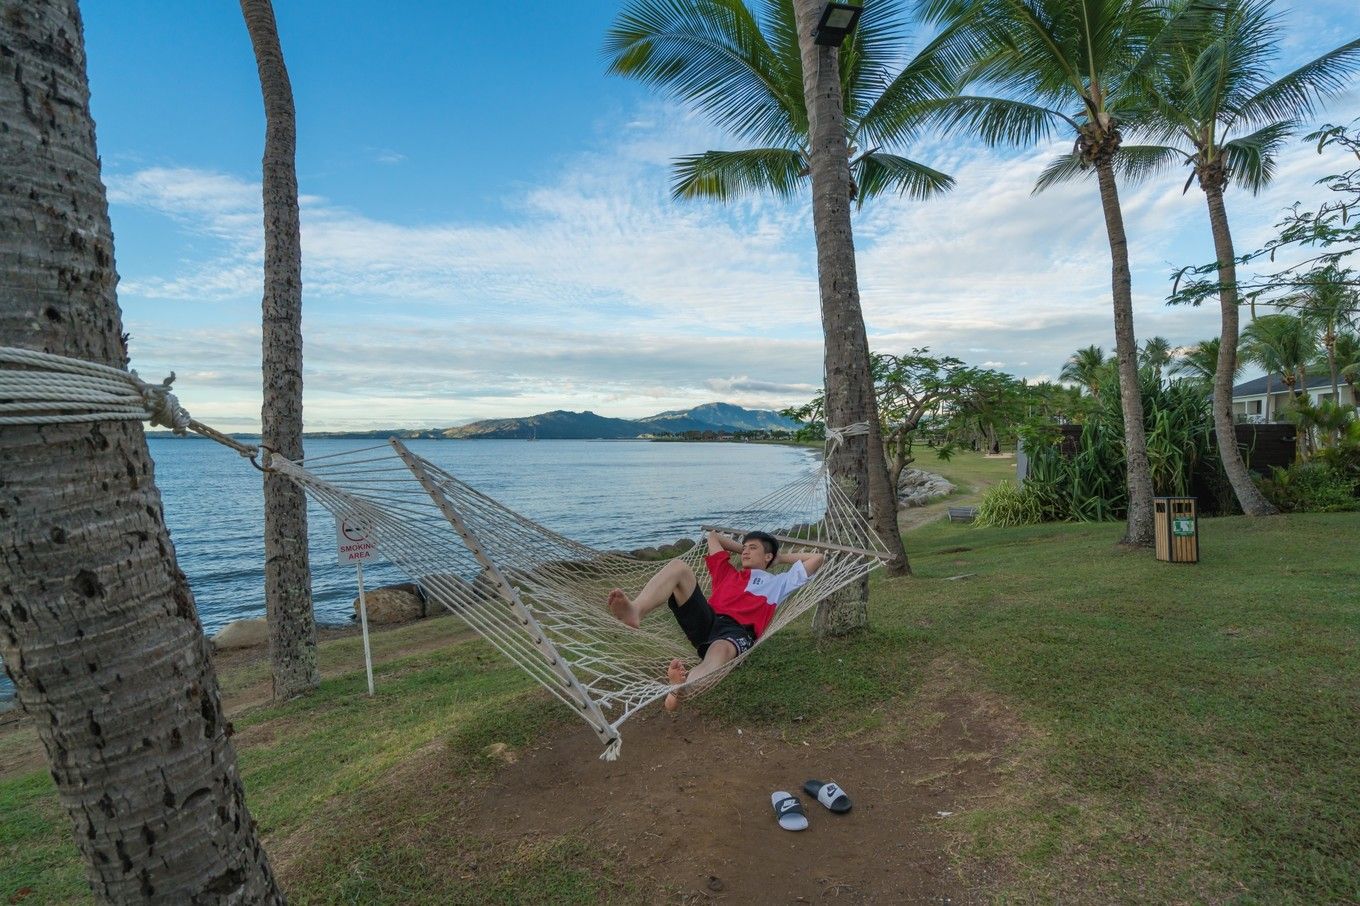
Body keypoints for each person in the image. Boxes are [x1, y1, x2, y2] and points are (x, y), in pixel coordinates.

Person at [606, 529, 825, 710]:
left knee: (719, 651)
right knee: (679, 567)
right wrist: (748, 549)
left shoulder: (778, 583)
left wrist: (778, 558)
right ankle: (635, 611)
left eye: (753, 548)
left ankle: (681, 688)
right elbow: (713, 537)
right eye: (744, 547)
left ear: (768, 556)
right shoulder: (726, 572)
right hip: (708, 620)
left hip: (737, 632)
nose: (745, 551)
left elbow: (817, 559)